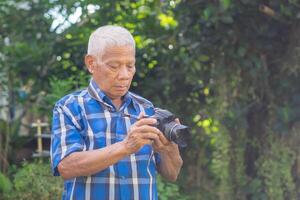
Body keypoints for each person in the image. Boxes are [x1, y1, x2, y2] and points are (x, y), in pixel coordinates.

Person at [51, 25, 183, 200]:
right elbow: (66, 167)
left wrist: (169, 149)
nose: (124, 75)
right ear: (91, 63)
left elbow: (172, 174)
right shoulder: (69, 107)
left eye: (130, 66)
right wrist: (125, 147)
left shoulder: (147, 109)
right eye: (114, 66)